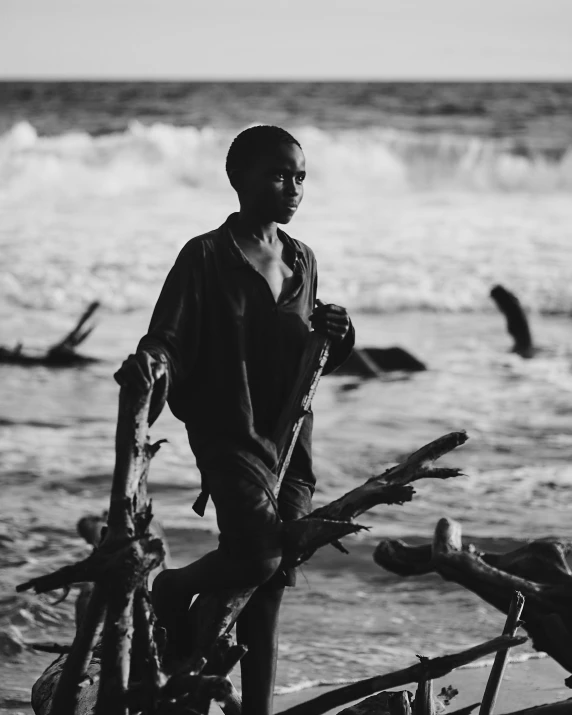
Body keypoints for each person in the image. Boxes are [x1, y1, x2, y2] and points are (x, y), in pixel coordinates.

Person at [114, 125, 354, 715]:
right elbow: (168, 336)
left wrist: (342, 336)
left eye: (300, 176)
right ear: (239, 180)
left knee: (270, 586)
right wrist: (151, 364)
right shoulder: (206, 255)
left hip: (292, 441)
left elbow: (312, 352)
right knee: (258, 556)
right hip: (231, 436)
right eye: (278, 175)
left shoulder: (302, 259)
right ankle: (171, 588)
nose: (293, 188)